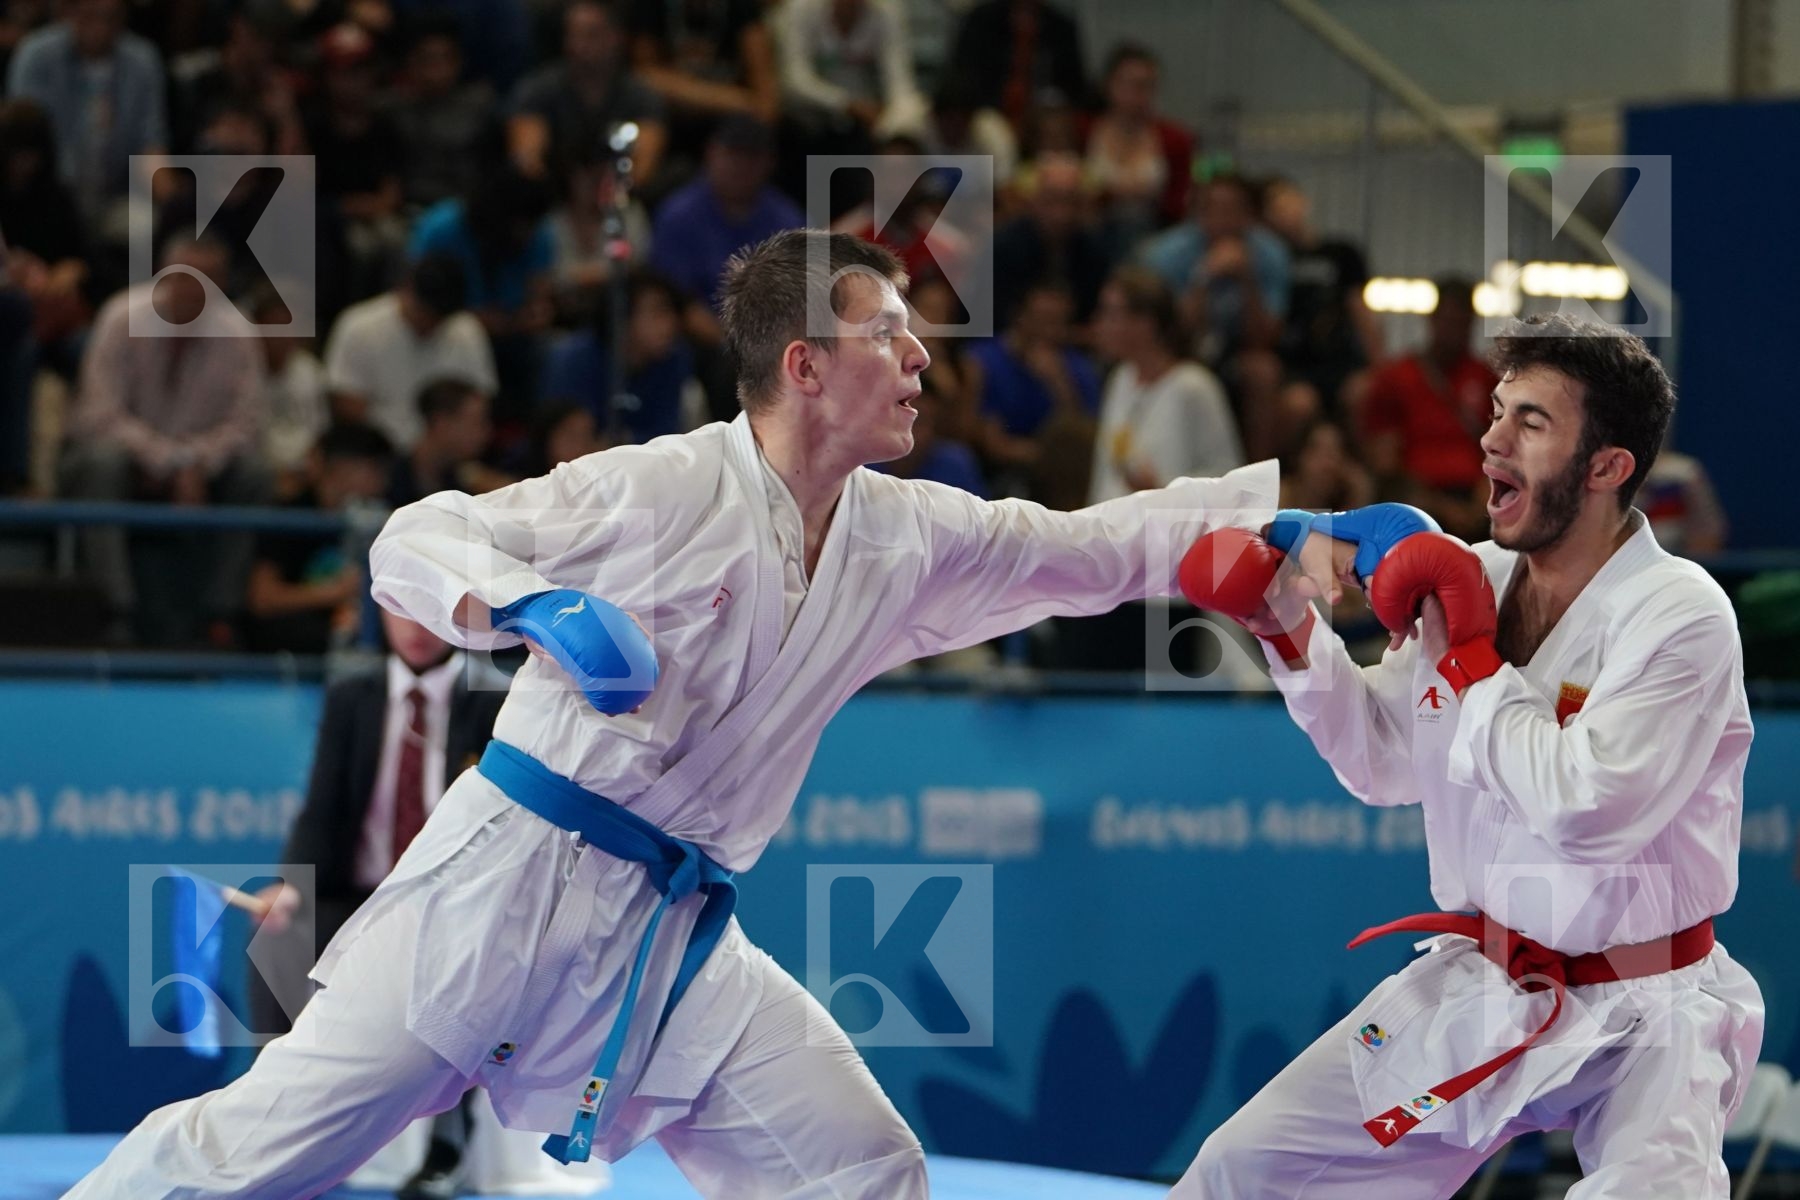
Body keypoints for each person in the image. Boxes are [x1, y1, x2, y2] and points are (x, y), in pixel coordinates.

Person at [66, 229, 1318, 1200]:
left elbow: (1084, 548)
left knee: (860, 1171)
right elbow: (417, 535)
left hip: (671, 937)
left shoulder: (908, 535)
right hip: (502, 889)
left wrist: (1280, 535)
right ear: (805, 365)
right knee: (259, 1152)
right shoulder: (662, 486)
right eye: (892, 332)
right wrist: (532, 604)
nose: (924, 358)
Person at [1175, 313, 1762, 1198]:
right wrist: (1287, 627)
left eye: (1531, 422)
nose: (1490, 439)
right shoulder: (1473, 578)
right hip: (1487, 976)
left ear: (1608, 467)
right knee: (1242, 1172)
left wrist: (1471, 662)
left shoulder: (1681, 615)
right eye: (1496, 410)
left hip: (1654, 1006)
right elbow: (1383, 763)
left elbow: (1587, 809)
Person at [1359, 277, 1496, 541]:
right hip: (1416, 495)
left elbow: (1502, 449)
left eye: (1461, 322)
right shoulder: (1396, 377)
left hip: (1477, 496)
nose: (1453, 330)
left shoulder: (1487, 379)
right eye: (1448, 321)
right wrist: (1439, 506)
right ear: (1432, 320)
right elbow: (1385, 461)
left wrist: (1486, 491)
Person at [324, 253, 498, 451]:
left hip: (448, 455)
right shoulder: (358, 326)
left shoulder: (467, 330)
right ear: (406, 289)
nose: (429, 322)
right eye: (423, 311)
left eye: (438, 317)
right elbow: (345, 403)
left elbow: (479, 404)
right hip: (379, 455)